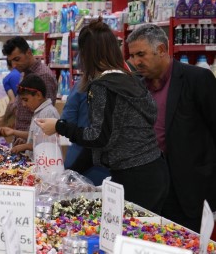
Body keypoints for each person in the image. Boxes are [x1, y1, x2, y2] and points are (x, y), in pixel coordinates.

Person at [35, 18, 169, 215]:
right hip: (155, 171)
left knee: (126, 236)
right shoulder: (130, 80)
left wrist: (59, 126)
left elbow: (98, 137)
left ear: (86, 54)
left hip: (134, 177)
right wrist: (69, 176)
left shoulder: (102, 87)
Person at [126, 24, 216, 232]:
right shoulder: (136, 86)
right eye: (132, 56)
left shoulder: (197, 79)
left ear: (162, 50)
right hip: (150, 186)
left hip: (189, 190)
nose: (136, 62)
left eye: (141, 54)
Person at [2, 36, 57, 145]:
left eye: (17, 59)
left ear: (28, 52)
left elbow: (45, 115)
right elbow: (19, 103)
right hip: (22, 140)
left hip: (33, 144)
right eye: (11, 61)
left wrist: (28, 141)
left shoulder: (43, 76)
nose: (14, 65)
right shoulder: (24, 72)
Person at [0, 74, 60, 156]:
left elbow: (47, 144)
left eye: (25, 100)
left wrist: (25, 146)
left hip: (45, 165)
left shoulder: (48, 113)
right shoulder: (38, 112)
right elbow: (36, 135)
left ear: (38, 95)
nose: (23, 104)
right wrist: (15, 133)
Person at [61, 83, 110, 186]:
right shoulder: (122, 85)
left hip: (79, 159)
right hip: (107, 167)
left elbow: (68, 120)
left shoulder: (82, 85)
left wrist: (58, 126)